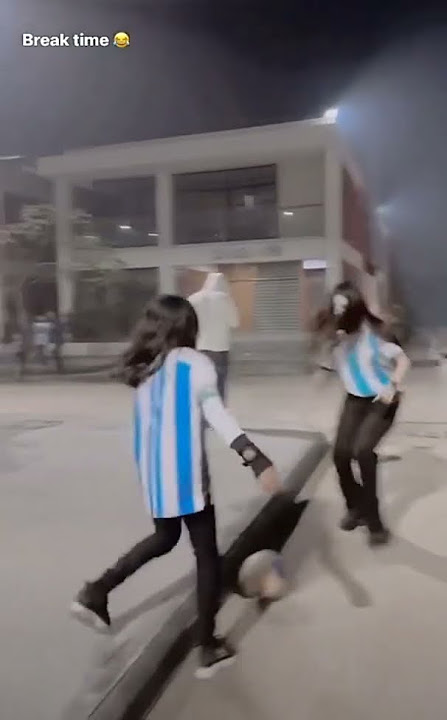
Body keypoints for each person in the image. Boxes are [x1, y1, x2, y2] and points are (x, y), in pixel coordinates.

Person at [71, 294, 280, 678]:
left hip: (153, 474)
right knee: (207, 557)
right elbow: (217, 414)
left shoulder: (145, 367)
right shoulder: (196, 364)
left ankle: (96, 591)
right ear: (187, 326)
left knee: (165, 538)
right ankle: (206, 644)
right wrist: (255, 458)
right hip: (185, 476)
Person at [314, 281, 411, 546]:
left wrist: (393, 386)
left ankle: (375, 521)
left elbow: (403, 360)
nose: (338, 312)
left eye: (343, 307)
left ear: (355, 308)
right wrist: (326, 355)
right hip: (355, 400)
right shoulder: (335, 336)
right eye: (335, 307)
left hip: (382, 399)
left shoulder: (376, 333)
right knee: (340, 454)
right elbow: (326, 367)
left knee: (363, 451)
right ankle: (355, 507)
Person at [188, 272, 239, 402]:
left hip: (200, 347)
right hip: (220, 348)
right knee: (219, 384)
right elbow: (235, 323)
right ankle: (217, 415)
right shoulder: (225, 299)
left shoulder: (193, 298)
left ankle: (200, 416)